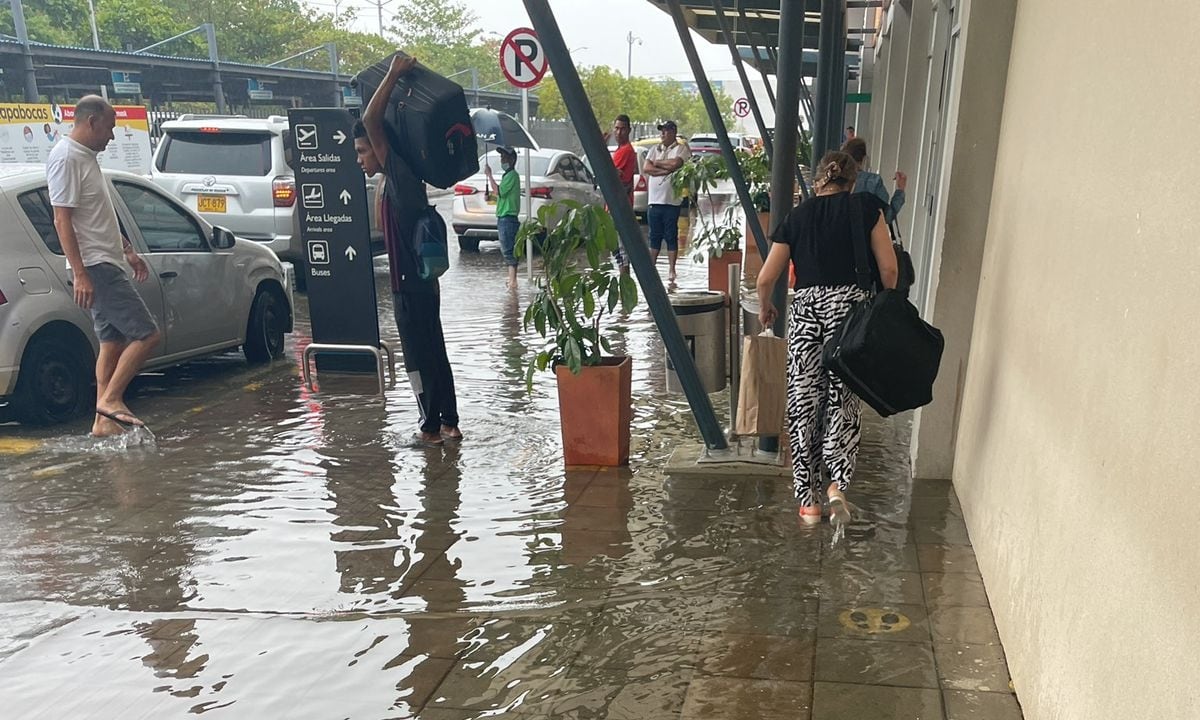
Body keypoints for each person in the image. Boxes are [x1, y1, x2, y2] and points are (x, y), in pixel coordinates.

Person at [755, 151, 898, 527]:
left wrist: (766, 306)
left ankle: (809, 503)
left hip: (805, 315)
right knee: (843, 399)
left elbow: (765, 278)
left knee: (804, 402)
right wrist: (884, 307)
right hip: (850, 314)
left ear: (818, 181)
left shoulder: (797, 217)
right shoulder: (866, 210)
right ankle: (836, 485)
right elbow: (889, 268)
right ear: (853, 181)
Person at [356, 52, 461, 445]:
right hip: (422, 283)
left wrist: (395, 74)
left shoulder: (398, 173)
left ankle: (430, 428)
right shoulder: (400, 177)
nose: (360, 160)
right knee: (435, 350)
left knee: (419, 358)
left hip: (408, 287)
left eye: (362, 152)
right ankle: (449, 423)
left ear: (380, 148)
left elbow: (370, 121)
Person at [47, 95, 160, 437]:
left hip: (106, 259)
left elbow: (98, 215)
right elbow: (61, 219)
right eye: (110, 127)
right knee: (148, 334)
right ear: (92, 122)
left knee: (111, 342)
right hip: (96, 265)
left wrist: (127, 249)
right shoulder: (66, 158)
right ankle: (110, 401)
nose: (112, 136)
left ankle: (102, 423)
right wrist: (80, 273)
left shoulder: (85, 158)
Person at [642, 120, 691, 282]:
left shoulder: (681, 148)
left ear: (673, 132)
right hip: (654, 201)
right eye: (661, 131)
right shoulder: (654, 149)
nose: (662, 134)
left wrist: (656, 163)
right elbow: (646, 168)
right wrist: (664, 168)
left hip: (671, 201)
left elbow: (676, 163)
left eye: (665, 131)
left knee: (671, 235)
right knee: (654, 235)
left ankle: (671, 269)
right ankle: (652, 268)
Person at [841, 137, 907, 225]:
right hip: (866, 236)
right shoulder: (873, 181)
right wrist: (900, 190)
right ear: (864, 159)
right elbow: (886, 216)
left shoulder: (836, 182)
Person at [484, 146, 520, 289]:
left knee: (508, 250)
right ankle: (511, 279)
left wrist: (489, 176)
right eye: (501, 157)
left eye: (504, 157)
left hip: (508, 218)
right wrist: (490, 197)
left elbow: (500, 191)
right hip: (504, 217)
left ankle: (513, 282)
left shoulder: (512, 176)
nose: (502, 160)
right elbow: (501, 196)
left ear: (511, 159)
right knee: (508, 249)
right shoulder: (508, 176)